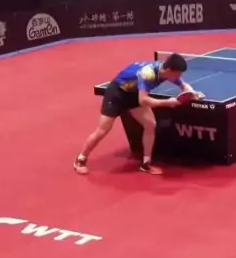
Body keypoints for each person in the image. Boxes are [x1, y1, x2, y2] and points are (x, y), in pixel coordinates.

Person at [74, 52, 204, 175]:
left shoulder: (166, 72)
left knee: (150, 124)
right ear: (169, 70)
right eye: (178, 73)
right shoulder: (148, 74)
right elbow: (143, 100)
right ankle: (80, 159)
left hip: (133, 94)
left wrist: (192, 93)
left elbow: (184, 85)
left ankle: (146, 164)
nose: (179, 77)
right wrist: (168, 102)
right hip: (117, 94)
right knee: (103, 130)